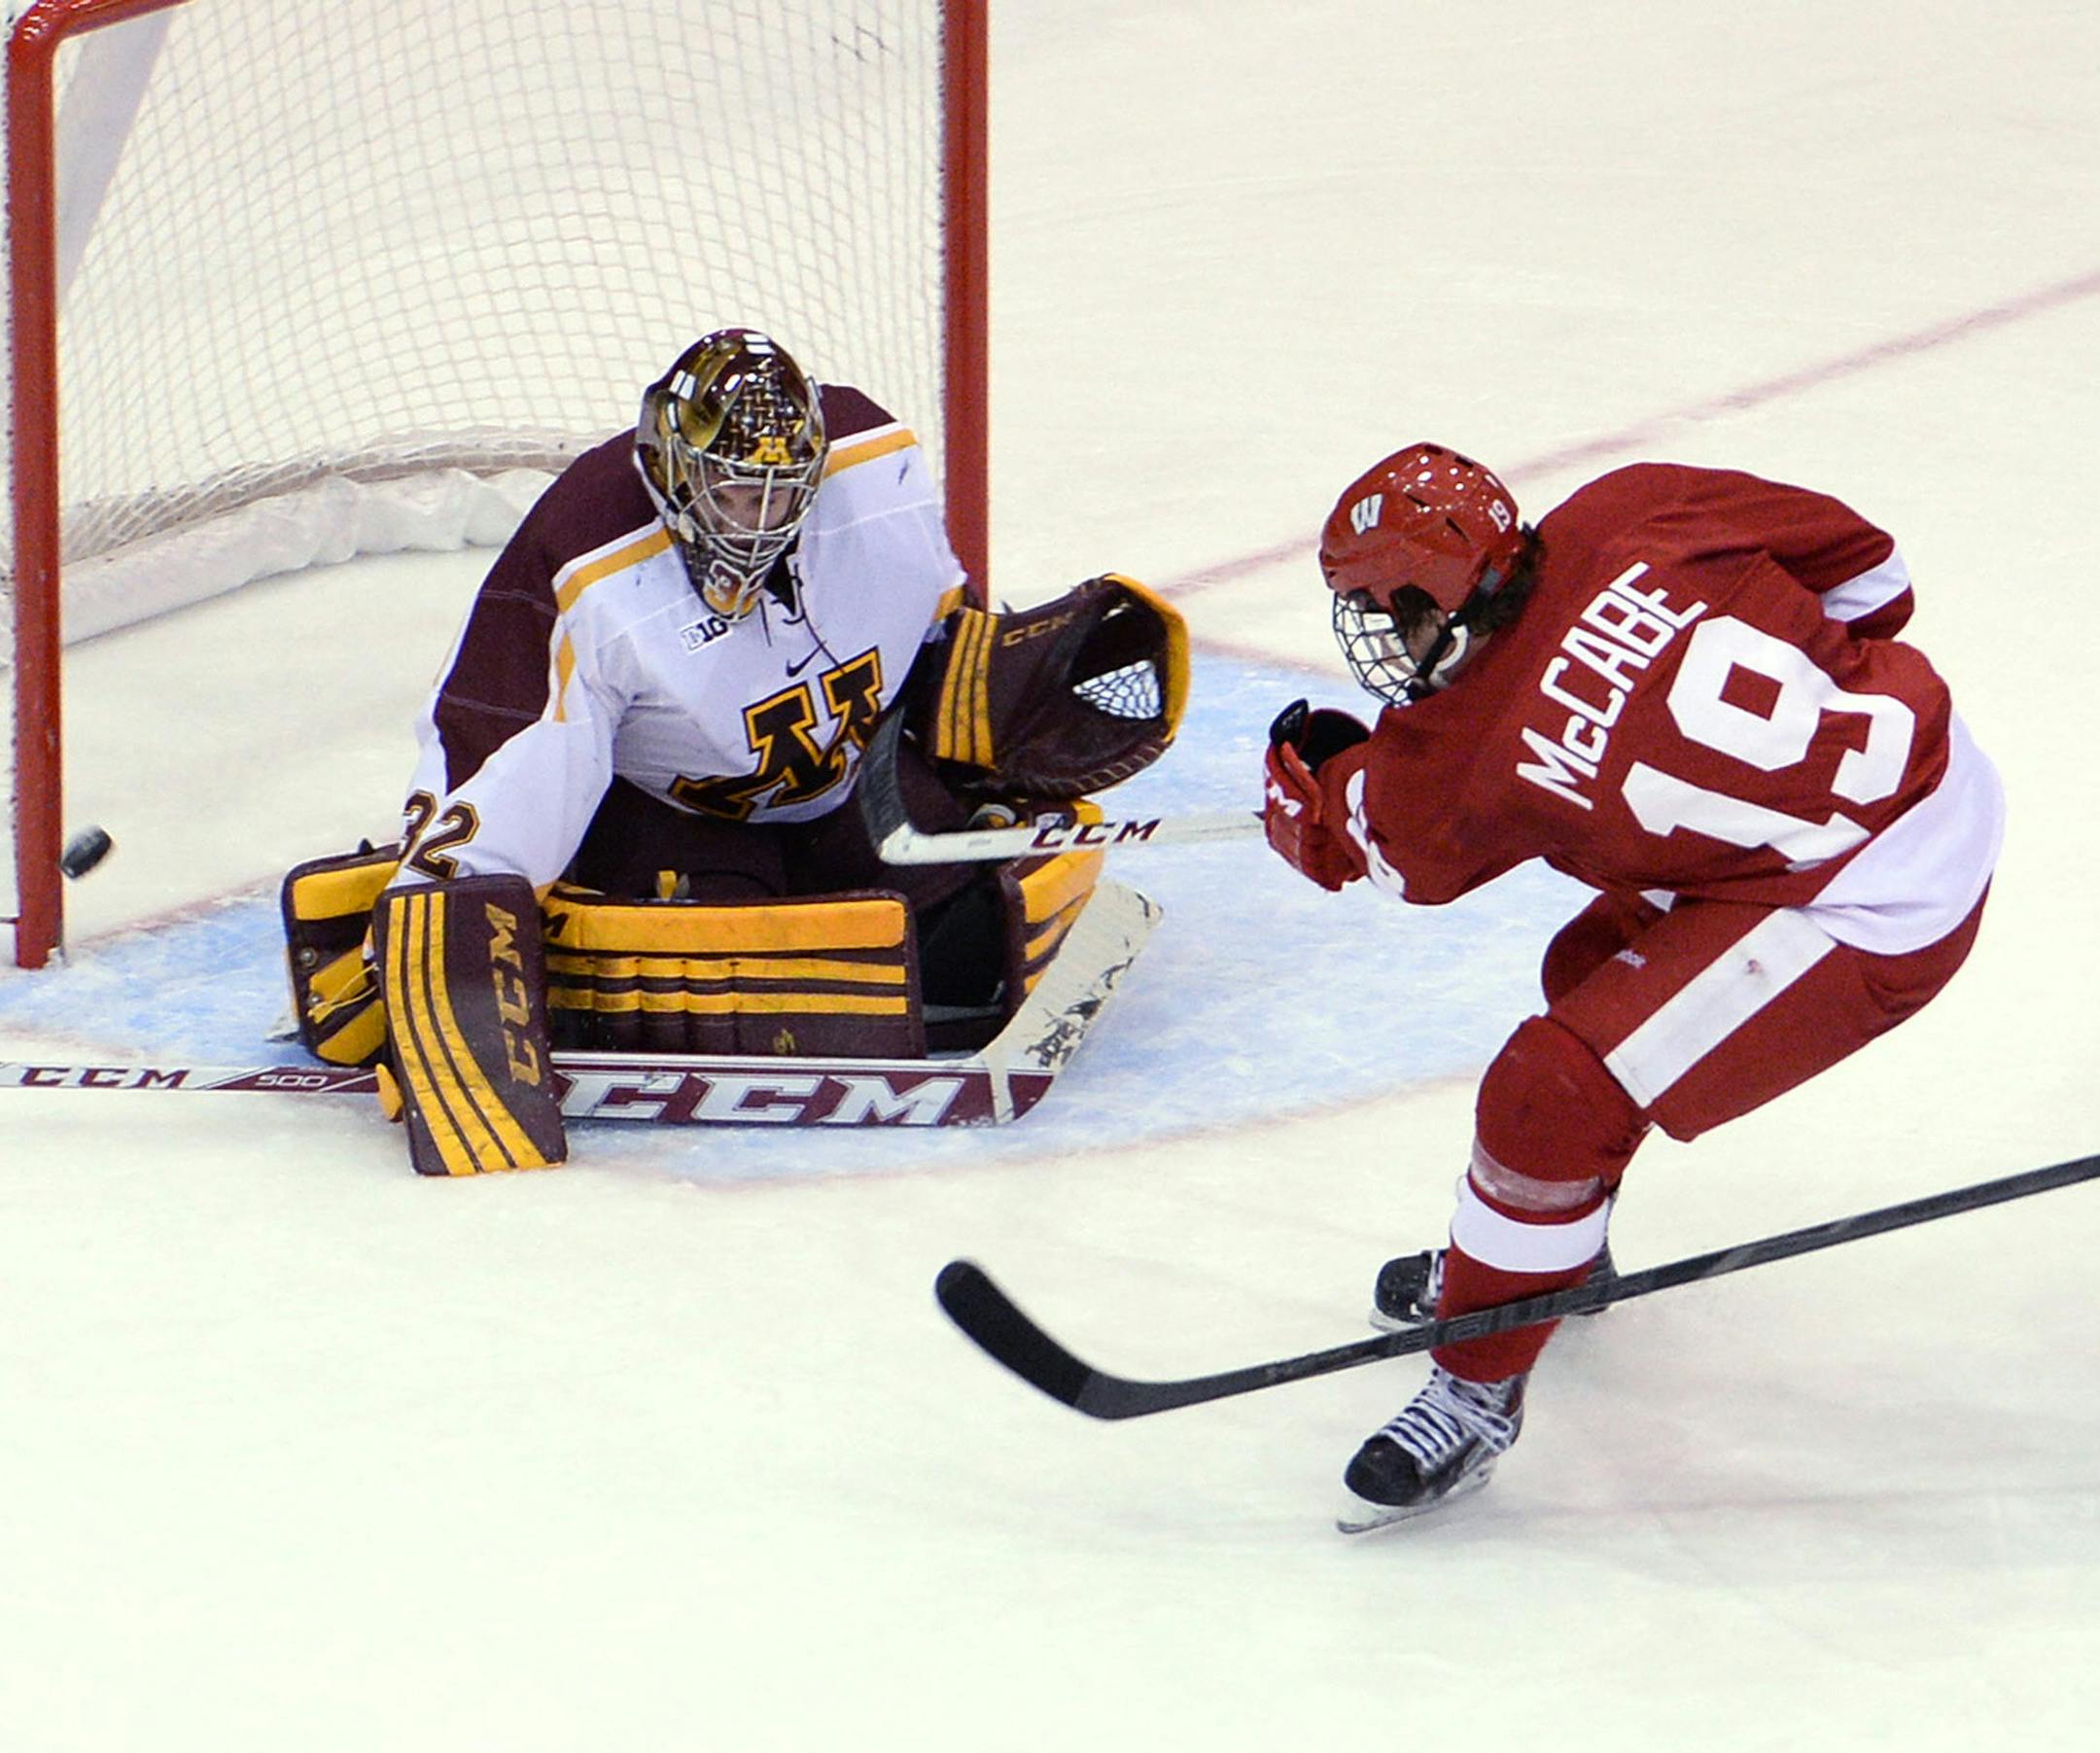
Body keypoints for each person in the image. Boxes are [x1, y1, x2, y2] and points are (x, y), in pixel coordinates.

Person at [1260, 443, 2002, 1528]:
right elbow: (1872, 579)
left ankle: (1476, 1384)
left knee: (1550, 1090)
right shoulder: (1639, 503)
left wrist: (1306, 790)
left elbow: (1373, 848)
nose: (1385, 642)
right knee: (1589, 977)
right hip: (1920, 767)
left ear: (1435, 596)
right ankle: (1545, 1263)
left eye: (1387, 612)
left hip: (1879, 896)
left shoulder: (1453, 751)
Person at [281, 328, 1184, 1174]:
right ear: (675, 475)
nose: (763, 522)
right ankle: (416, 926)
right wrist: (445, 920)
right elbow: (505, 745)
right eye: (738, 494)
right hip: (670, 825)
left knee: (971, 936)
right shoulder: (586, 564)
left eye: (786, 493)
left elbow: (941, 625)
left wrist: (988, 698)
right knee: (716, 965)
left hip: (842, 782)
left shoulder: (875, 472)